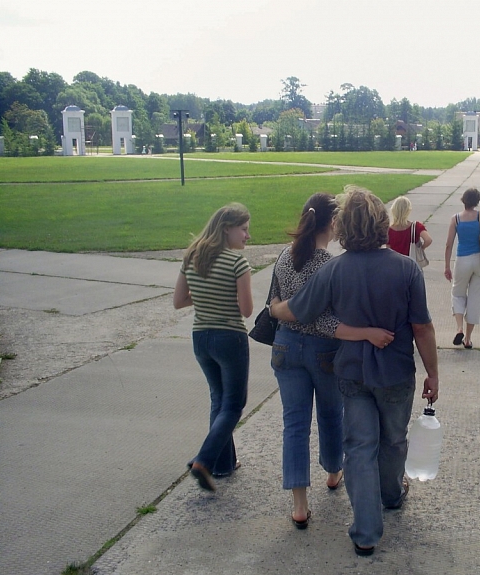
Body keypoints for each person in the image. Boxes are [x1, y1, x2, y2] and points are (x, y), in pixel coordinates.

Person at [270, 185, 439, 557]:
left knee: (359, 447)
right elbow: (423, 328)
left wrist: (276, 308)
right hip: (395, 373)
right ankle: (392, 495)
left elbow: (299, 310)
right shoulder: (407, 269)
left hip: (352, 374)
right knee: (393, 441)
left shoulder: (335, 270)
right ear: (381, 223)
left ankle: (365, 532)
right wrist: (433, 373)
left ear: (344, 225)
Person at [270, 193, 393, 529]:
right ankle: (333, 470)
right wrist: (366, 332)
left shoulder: (284, 256)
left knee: (294, 424)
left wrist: (278, 311)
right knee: (330, 414)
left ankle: (299, 503)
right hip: (321, 350)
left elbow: (275, 303)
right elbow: (325, 322)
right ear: (334, 222)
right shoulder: (327, 264)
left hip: (284, 346)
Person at [173, 202, 254, 492]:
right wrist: (226, 293)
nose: (247, 236)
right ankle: (204, 461)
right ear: (226, 229)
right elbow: (246, 310)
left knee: (218, 399)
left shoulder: (191, 257)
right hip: (229, 337)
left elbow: (179, 301)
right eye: (243, 230)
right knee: (233, 405)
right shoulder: (237, 263)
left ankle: (223, 464)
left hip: (201, 338)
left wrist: (207, 295)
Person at [444, 188, 480, 349]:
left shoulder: (455, 219)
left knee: (457, 294)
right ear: (477, 201)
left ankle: (459, 328)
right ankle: (468, 339)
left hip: (463, 260)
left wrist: (447, 266)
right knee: (475, 299)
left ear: (463, 200)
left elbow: (449, 244)